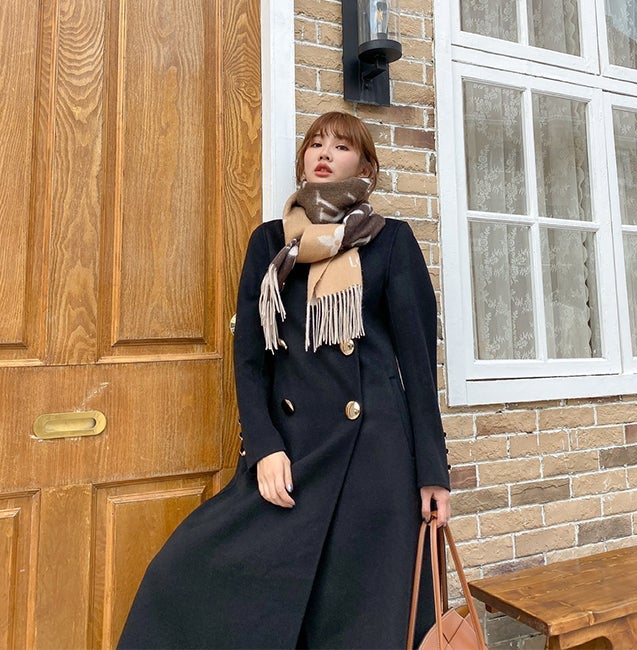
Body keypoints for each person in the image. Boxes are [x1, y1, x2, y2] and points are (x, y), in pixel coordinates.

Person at [118, 111, 450, 650]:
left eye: (341, 146)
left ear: (365, 167)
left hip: (375, 459)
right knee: (182, 572)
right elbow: (250, 358)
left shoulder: (391, 241)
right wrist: (264, 446)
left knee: (363, 617)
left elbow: (417, 364)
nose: (324, 153)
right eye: (315, 143)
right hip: (292, 453)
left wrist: (433, 473)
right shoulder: (271, 244)